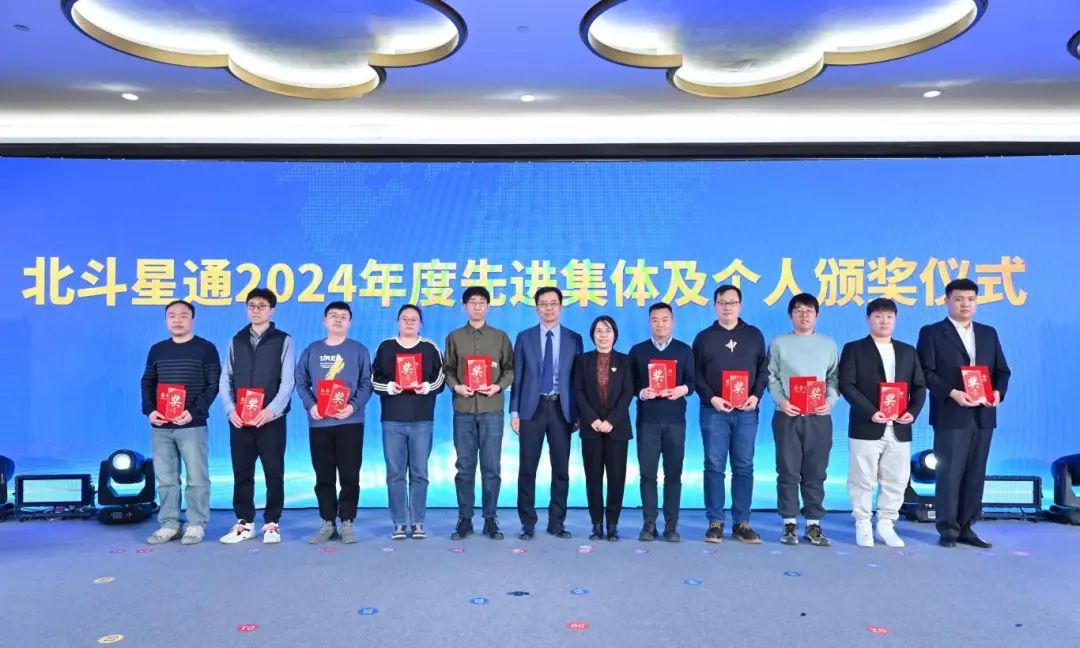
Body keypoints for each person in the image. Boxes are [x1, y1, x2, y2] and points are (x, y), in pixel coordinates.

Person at [917, 278, 1011, 548]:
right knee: (949, 473)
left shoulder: (988, 333)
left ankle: (967, 526)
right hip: (951, 413)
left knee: (975, 472)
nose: (965, 304)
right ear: (947, 301)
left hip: (983, 415)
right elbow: (925, 372)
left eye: (970, 299)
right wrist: (952, 392)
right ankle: (948, 529)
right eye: (959, 299)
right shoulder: (932, 333)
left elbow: (1002, 371)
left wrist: (998, 392)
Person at [838, 298, 927, 548]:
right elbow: (846, 384)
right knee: (862, 478)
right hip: (866, 425)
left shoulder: (908, 351)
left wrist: (912, 412)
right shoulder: (854, 349)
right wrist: (871, 411)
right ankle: (863, 523)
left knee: (896, 479)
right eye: (878, 316)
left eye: (889, 316)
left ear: (895, 319)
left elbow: (919, 386)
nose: (884, 321)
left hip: (899, 427)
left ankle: (886, 524)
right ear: (868, 319)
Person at [691, 285, 768, 544]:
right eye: (722, 302)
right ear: (714, 306)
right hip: (714, 411)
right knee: (714, 466)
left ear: (740, 306)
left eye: (732, 302)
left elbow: (763, 369)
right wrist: (711, 398)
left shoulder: (754, 335)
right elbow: (695, 374)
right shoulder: (703, 338)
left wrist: (756, 395)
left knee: (744, 466)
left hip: (746, 412)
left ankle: (741, 522)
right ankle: (715, 521)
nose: (727, 307)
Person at [140, 299, 220, 545]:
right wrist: (150, 410)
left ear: (192, 320)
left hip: (192, 425)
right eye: (172, 315)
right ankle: (169, 524)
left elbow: (213, 385)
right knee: (166, 479)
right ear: (166, 321)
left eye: (183, 315)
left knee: (197, 478)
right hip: (161, 425)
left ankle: (196, 524)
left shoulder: (206, 348)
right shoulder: (157, 350)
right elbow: (147, 382)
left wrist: (194, 412)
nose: (177, 320)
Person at [219, 288, 295, 544]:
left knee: (274, 472)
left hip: (271, 420)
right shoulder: (236, 340)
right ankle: (244, 522)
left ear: (272, 311)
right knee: (242, 472)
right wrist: (230, 409)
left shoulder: (283, 340)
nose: (256, 310)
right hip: (240, 419)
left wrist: (271, 411)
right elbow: (226, 378)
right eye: (251, 305)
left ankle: (272, 522)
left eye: (262, 306)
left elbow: (288, 381)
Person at [294, 301, 373, 544]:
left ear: (350, 322)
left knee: (350, 474)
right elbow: (300, 381)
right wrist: (311, 405)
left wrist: (352, 407)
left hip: (350, 423)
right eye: (333, 315)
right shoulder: (312, 350)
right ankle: (327, 522)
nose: (338, 320)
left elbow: (366, 383)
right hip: (320, 424)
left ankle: (347, 521)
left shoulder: (358, 350)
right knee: (324, 476)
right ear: (324, 320)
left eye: (343, 316)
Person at [510, 287, 584, 540]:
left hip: (562, 409)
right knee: (527, 469)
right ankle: (527, 523)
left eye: (553, 303)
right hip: (532, 409)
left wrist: (578, 413)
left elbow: (577, 380)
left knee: (561, 469)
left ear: (560, 307)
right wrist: (514, 412)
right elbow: (518, 377)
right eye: (544, 304)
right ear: (537, 308)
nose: (549, 308)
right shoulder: (524, 337)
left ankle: (557, 522)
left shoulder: (574, 338)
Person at [767, 293, 839, 547]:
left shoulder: (828, 344)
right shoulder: (779, 343)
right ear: (790, 315)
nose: (804, 315)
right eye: (798, 311)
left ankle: (813, 524)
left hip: (818, 417)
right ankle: (789, 522)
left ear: (816, 316)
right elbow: (771, 376)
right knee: (787, 471)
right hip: (788, 416)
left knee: (816, 471)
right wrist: (781, 401)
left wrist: (829, 401)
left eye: (809, 311)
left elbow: (834, 377)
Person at [443, 286, 514, 540]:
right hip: (463, 409)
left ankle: (490, 518)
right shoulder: (454, 337)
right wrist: (456, 386)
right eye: (472, 302)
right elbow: (448, 369)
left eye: (481, 302)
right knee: (464, 466)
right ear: (464, 306)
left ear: (488, 306)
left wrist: (498, 386)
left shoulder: (500, 337)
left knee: (491, 466)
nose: (477, 306)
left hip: (491, 409)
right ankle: (464, 518)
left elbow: (510, 369)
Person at [371, 304, 444, 540]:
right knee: (395, 474)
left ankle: (418, 521)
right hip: (392, 420)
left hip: (422, 420)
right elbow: (373, 379)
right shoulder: (386, 347)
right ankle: (400, 523)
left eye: (414, 319)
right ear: (398, 321)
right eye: (405, 318)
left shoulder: (430, 347)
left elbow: (441, 379)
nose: (409, 322)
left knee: (420, 473)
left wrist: (427, 387)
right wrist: (390, 387)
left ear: (421, 323)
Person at [629, 302, 696, 542]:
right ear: (649, 322)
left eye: (664, 319)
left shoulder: (684, 350)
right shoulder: (638, 351)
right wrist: (641, 392)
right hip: (648, 421)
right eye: (655, 320)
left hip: (675, 421)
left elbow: (693, 383)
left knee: (673, 475)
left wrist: (682, 389)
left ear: (673, 322)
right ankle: (649, 523)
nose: (660, 324)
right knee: (648, 474)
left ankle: (671, 525)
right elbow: (630, 384)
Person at [573, 315, 634, 541]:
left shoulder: (626, 361)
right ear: (592, 335)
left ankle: (613, 524)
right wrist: (592, 419)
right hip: (592, 428)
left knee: (616, 478)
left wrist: (611, 421)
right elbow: (578, 391)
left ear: (615, 334)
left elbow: (628, 392)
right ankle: (597, 524)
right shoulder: (582, 360)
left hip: (617, 429)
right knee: (593, 478)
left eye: (607, 330)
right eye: (599, 331)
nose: (603, 335)